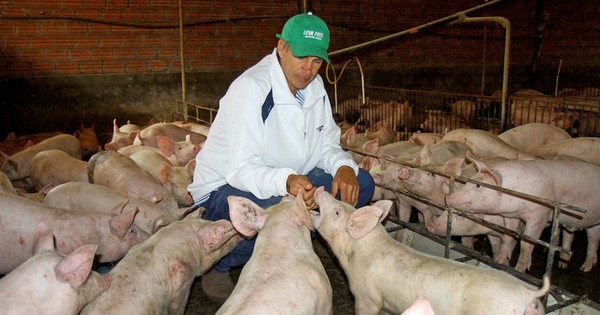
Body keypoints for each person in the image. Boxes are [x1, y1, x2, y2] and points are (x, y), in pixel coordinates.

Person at [187, 12, 375, 302]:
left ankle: (290, 242)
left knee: (362, 183)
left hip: (291, 180)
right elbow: (240, 169)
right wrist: (286, 181)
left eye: (316, 61)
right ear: (282, 48)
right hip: (225, 188)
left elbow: (326, 144)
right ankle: (218, 263)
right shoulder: (251, 89)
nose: (308, 69)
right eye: (301, 57)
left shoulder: (315, 88)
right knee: (274, 210)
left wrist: (344, 167)